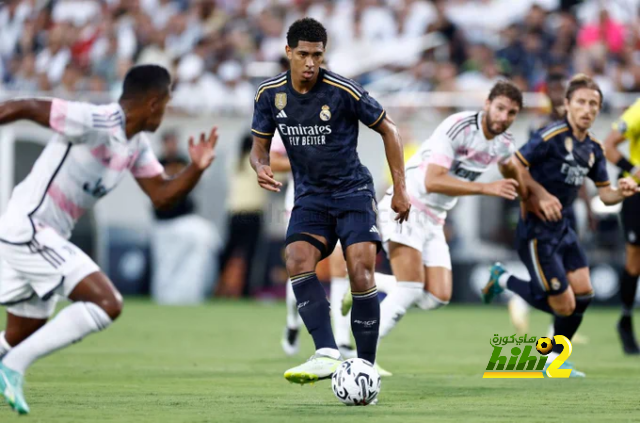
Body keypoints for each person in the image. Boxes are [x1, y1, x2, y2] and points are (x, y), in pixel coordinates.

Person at [0, 64, 218, 414]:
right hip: (29, 229)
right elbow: (25, 106)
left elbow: (161, 195)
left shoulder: (136, 146)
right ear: (152, 103)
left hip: (44, 236)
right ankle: (13, 366)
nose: (166, 110)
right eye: (166, 102)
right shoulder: (95, 120)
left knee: (20, 334)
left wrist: (196, 168)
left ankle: (11, 356)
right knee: (108, 303)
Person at [250, 18, 411, 384]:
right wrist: (260, 167)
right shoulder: (268, 95)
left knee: (360, 271)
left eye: (317, 55)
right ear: (288, 52)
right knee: (296, 259)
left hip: (352, 192)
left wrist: (400, 189)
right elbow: (258, 148)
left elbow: (390, 129)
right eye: (303, 54)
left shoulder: (343, 90)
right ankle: (325, 352)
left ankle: (365, 366)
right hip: (311, 196)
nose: (310, 62)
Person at [482, 74, 639, 376]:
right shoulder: (549, 136)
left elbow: (605, 195)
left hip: (563, 227)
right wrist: (539, 194)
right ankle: (502, 280)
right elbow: (514, 165)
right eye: (581, 102)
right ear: (567, 105)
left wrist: (623, 190)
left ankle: (553, 362)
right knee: (564, 305)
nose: (587, 109)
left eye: (594, 104)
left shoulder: (593, 148)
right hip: (536, 230)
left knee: (584, 294)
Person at [375, 81, 545, 356]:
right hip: (407, 206)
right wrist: (485, 188)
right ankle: (360, 356)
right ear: (487, 104)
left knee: (437, 297)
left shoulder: (502, 143)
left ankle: (369, 282)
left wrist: (534, 196)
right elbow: (432, 181)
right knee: (409, 288)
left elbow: (513, 168)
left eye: (511, 113)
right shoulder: (459, 126)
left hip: (434, 218)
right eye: (500, 108)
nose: (504, 117)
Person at [508, 73, 594, 344]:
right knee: (554, 278)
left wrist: (588, 206)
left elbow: (577, 172)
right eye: (554, 89)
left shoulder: (577, 127)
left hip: (568, 210)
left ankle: (554, 334)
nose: (557, 94)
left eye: (562, 89)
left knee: (572, 279)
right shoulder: (542, 126)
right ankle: (519, 295)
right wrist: (531, 200)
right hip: (543, 210)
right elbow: (525, 167)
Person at [151, 131, 220, 305]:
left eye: (174, 141)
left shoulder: (183, 159)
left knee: (203, 240)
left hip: (185, 219)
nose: (172, 145)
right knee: (167, 264)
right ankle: (163, 297)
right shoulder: (156, 162)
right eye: (169, 142)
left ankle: (193, 294)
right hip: (164, 222)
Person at [604, 97, 640, 354]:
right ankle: (625, 319)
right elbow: (609, 146)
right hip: (636, 192)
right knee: (634, 262)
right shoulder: (638, 110)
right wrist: (633, 168)